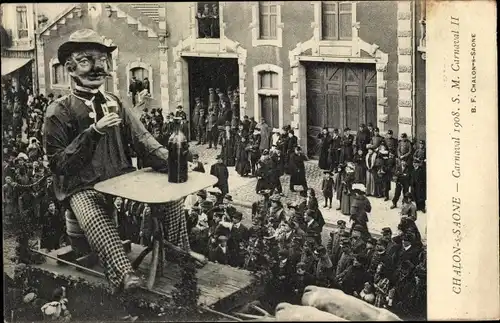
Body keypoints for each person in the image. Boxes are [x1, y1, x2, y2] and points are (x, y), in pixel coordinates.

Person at [43, 29, 180, 292]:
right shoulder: (58, 111)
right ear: (70, 69)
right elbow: (59, 164)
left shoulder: (115, 102)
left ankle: (177, 253)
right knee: (93, 213)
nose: (97, 67)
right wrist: (93, 132)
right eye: (86, 61)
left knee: (171, 195)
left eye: (103, 60)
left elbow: (142, 139)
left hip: (121, 178)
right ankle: (124, 274)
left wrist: (172, 160)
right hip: (82, 185)